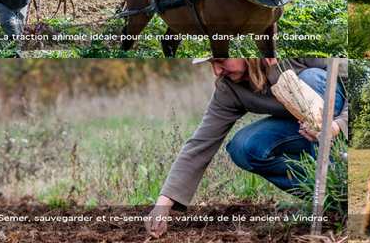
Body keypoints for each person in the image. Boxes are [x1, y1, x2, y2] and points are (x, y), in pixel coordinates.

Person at [145, 58, 347, 239]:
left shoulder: (294, 53)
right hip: (302, 132)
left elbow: (351, 82)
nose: (216, 71)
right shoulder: (229, 88)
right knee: (243, 146)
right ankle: (325, 197)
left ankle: (339, 188)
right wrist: (163, 203)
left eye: (221, 61)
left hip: (341, 125)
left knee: (312, 78)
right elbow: (201, 142)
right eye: (211, 65)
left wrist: (338, 125)